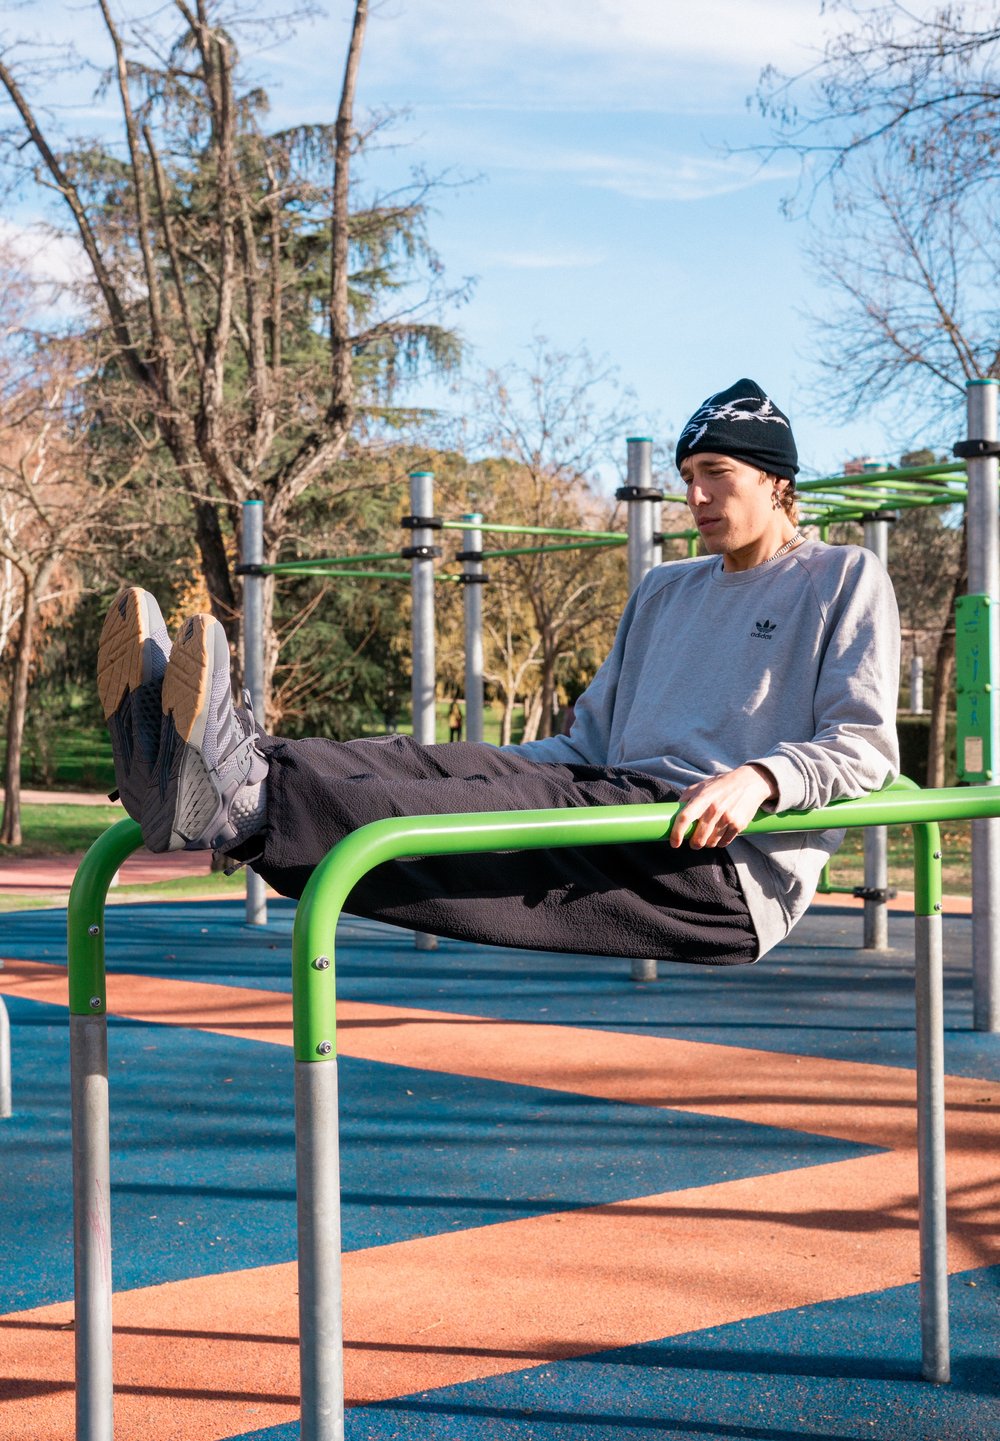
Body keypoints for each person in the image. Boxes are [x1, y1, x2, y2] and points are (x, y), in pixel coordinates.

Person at [97, 378, 899, 963]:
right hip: (612, 797)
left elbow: (864, 746)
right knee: (428, 765)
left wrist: (759, 778)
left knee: (457, 812)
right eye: (688, 478)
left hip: (716, 863)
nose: (694, 495)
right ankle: (222, 764)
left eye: (716, 474)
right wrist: (476, 768)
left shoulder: (840, 577)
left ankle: (239, 800)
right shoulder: (664, 589)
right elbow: (586, 744)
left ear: (776, 479)